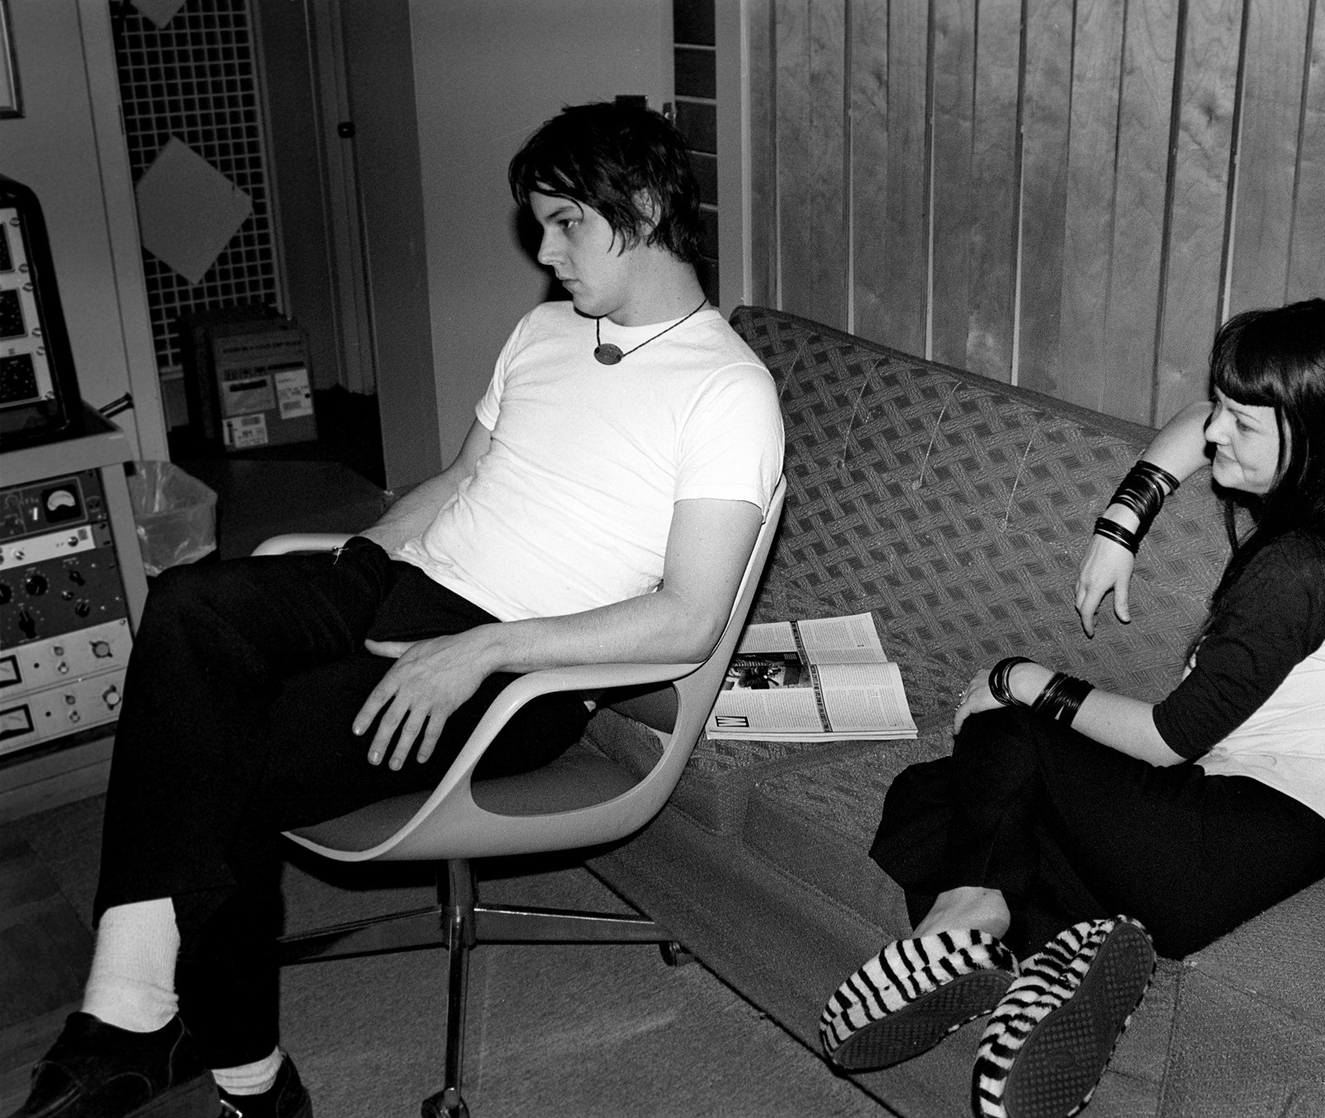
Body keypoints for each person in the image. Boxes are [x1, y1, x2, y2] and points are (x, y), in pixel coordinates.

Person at [11, 101, 784, 1118]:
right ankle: (144, 1012)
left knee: (220, 753)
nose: (544, 253)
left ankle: (213, 1055)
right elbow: (460, 478)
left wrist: (479, 651)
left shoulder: (727, 391)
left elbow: (688, 617)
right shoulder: (544, 332)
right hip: (400, 579)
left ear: (640, 205)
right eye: (540, 225)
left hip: (520, 669)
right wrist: (357, 562)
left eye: (565, 224)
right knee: (191, 607)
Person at [817, 299, 1325, 1118]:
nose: (1216, 432)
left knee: (1009, 733)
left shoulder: (1304, 565)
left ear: (1314, 435)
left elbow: (1169, 738)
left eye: (1243, 423)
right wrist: (1123, 522)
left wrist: (1022, 678)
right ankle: (1063, 971)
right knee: (935, 795)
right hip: (1240, 853)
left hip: (1264, 855)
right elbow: (1193, 421)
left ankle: (967, 921)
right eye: (1225, 409)